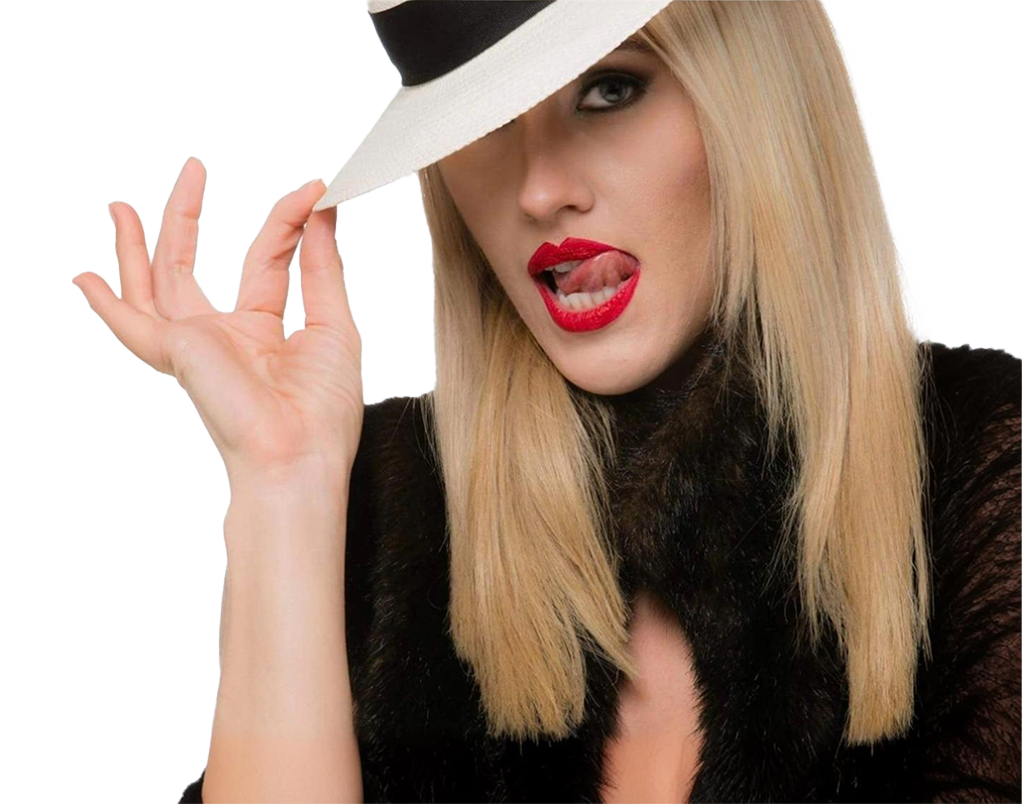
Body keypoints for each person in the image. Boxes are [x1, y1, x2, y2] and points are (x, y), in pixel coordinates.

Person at [71, 1, 1020, 801]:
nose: (539, 191)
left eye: (610, 90)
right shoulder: (388, 502)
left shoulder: (987, 474)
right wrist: (283, 485)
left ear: (759, 98)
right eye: (482, 124)